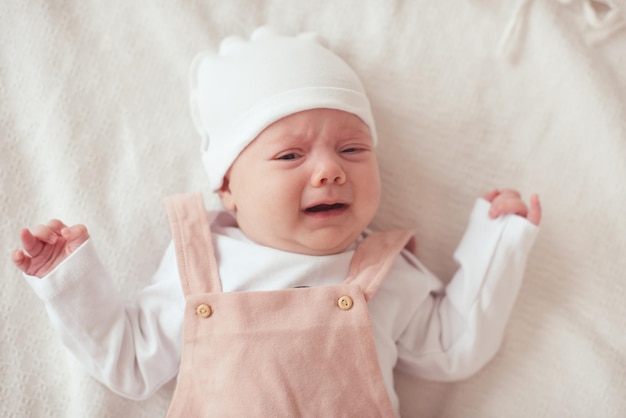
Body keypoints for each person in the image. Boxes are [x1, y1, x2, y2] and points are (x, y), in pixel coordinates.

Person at [12, 27, 541, 417]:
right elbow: (129, 363)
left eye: (353, 148)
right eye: (290, 157)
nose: (331, 170)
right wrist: (71, 280)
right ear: (227, 188)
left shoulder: (383, 270)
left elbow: (453, 346)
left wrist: (498, 242)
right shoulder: (202, 266)